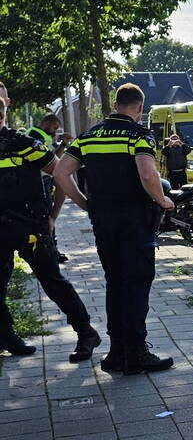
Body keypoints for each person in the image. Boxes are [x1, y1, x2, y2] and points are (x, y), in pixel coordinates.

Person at [54, 83, 175, 374]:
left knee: (115, 282)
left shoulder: (88, 136)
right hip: (135, 220)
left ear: (117, 104)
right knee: (136, 284)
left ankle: (116, 352)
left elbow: (60, 172)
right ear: (139, 107)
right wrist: (163, 200)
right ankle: (137, 354)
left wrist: (85, 204)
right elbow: (147, 174)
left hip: (103, 221)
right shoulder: (139, 135)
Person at [0, 99, 100, 361]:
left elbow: (61, 174)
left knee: (53, 282)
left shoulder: (23, 145)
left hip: (30, 227)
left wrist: (54, 215)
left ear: (2, 116)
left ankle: (86, 332)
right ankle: (6, 336)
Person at [27, 113, 71, 262]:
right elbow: (46, 161)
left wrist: (63, 145)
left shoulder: (41, 135)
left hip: (44, 180)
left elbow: (53, 158)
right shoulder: (35, 136)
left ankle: (51, 250)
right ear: (46, 123)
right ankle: (49, 252)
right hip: (39, 182)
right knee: (46, 217)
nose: (54, 131)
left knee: (47, 216)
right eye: (54, 128)